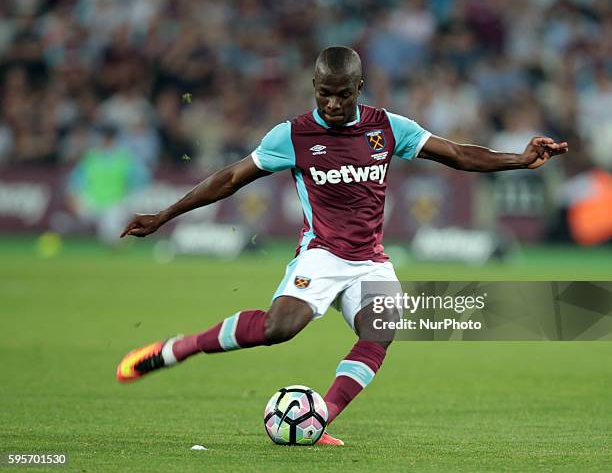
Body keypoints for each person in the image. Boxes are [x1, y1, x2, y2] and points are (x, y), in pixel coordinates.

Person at [116, 46, 567, 445]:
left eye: (343, 94)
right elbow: (231, 178)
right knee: (279, 330)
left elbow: (457, 154)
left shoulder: (388, 128)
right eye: (324, 93)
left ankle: (320, 418)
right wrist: (165, 216)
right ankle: (180, 348)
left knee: (382, 328)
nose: (332, 104)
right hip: (322, 254)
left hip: (369, 260)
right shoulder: (291, 135)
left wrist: (520, 160)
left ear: (359, 88)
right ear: (313, 86)